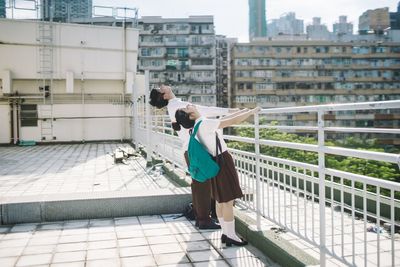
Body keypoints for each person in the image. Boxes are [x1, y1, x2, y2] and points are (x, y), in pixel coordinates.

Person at [149, 85, 235, 229]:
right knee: (202, 185)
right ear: (164, 95)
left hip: (191, 149)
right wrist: (229, 111)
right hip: (196, 149)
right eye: (160, 88)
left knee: (200, 184)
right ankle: (204, 220)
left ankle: (206, 217)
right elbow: (206, 110)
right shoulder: (177, 105)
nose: (162, 85)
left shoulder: (174, 106)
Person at [174, 104, 260, 246]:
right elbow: (232, 122)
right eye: (186, 108)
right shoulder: (204, 124)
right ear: (190, 115)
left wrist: (244, 111)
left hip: (213, 162)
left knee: (220, 200)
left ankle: (226, 234)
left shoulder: (197, 126)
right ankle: (231, 235)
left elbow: (225, 120)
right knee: (227, 201)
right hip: (222, 161)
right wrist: (251, 112)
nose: (189, 105)